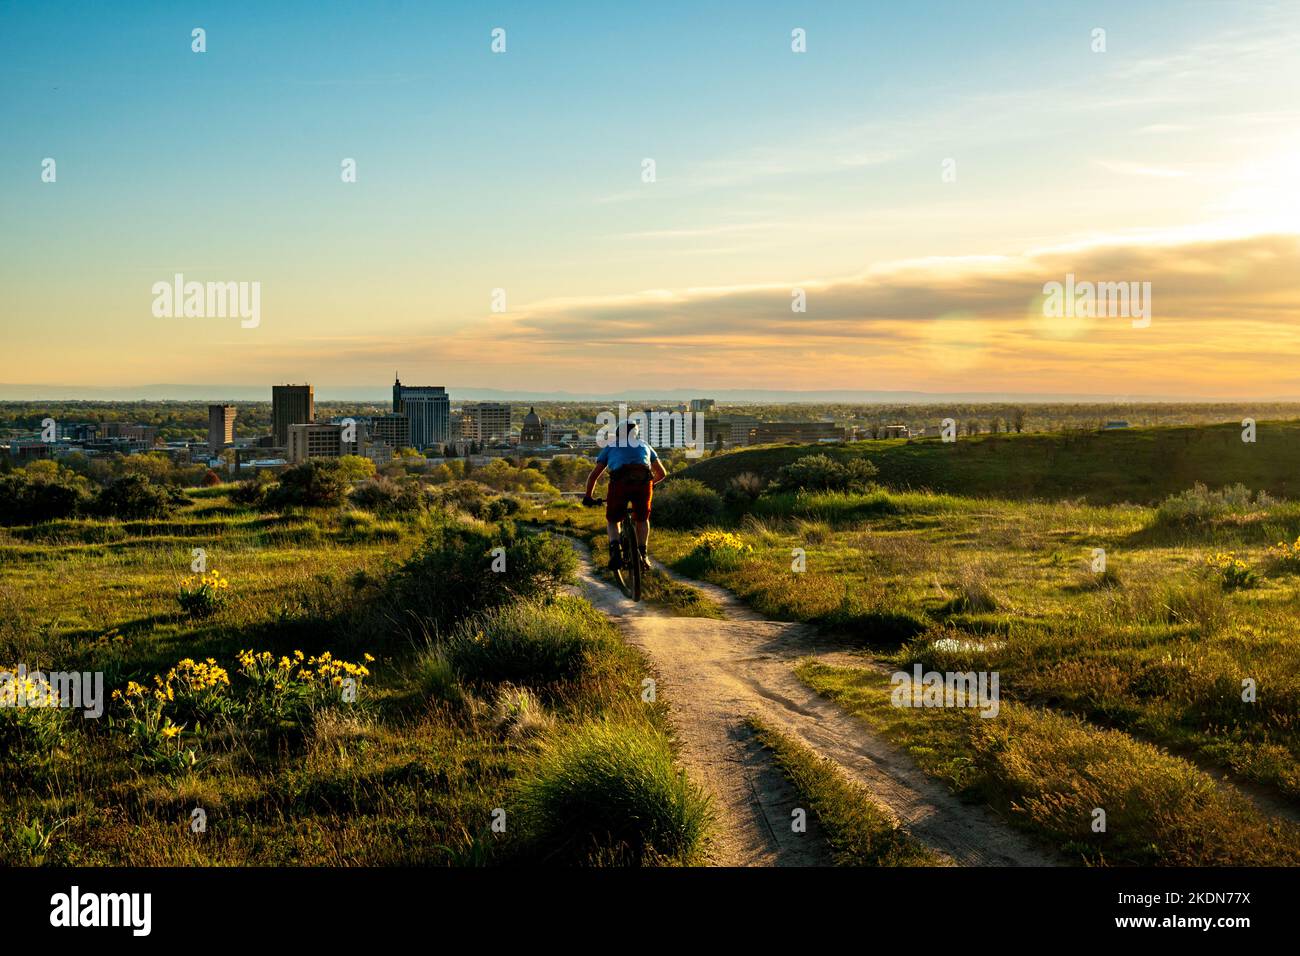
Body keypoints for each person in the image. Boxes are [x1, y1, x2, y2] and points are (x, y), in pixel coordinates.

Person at [582, 420, 668, 570]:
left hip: (619, 486)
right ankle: (643, 555)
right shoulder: (644, 445)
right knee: (642, 519)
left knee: (613, 519)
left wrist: (588, 496)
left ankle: (615, 550)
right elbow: (662, 473)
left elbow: (594, 475)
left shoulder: (611, 447)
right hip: (643, 485)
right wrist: (650, 484)